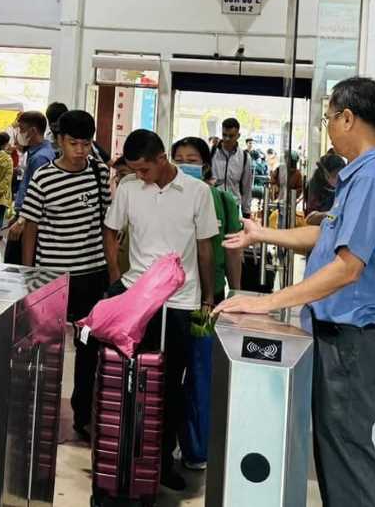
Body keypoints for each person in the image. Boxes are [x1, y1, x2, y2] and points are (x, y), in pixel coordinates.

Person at [216, 77, 375, 507]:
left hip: (350, 345)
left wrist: (267, 302)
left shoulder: (372, 180)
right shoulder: (358, 177)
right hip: (336, 338)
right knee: (335, 455)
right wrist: (263, 234)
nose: (329, 126)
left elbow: (346, 268)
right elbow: (325, 238)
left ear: (348, 118)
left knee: (347, 461)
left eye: (330, 117)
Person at [103, 129, 218, 492]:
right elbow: (111, 230)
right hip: (136, 299)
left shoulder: (198, 193)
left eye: (144, 170)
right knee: (128, 380)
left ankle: (162, 461)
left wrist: (207, 300)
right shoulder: (128, 190)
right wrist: (116, 278)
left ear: (161, 160)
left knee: (169, 384)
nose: (140, 176)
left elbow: (205, 250)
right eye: (134, 170)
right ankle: (125, 459)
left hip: (181, 304)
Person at [20, 110, 110, 443]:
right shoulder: (44, 177)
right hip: (52, 277)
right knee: (46, 348)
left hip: (92, 275)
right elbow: (31, 227)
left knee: (90, 349)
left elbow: (106, 225)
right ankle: (39, 412)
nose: (81, 151)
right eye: (74, 143)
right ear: (60, 141)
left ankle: (83, 415)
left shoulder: (98, 174)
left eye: (86, 144)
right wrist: (30, 275)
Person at [171, 136, 241, 471]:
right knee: (169, 370)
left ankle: (196, 448)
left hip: (207, 301)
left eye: (192, 158)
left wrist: (237, 293)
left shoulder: (223, 201)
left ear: (204, 164)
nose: (185, 163)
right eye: (179, 157)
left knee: (200, 372)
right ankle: (167, 439)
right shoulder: (166, 196)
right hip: (170, 299)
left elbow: (233, 249)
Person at [5, 111, 56, 263]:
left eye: (21, 129)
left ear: (32, 131)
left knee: (17, 267)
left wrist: (22, 220)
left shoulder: (40, 158)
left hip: (29, 222)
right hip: (25, 217)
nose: (18, 133)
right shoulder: (41, 152)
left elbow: (37, 195)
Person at [211, 117, 251, 215]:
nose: (227, 139)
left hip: (233, 205)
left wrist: (246, 211)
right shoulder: (211, 153)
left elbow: (246, 186)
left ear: (238, 136)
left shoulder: (245, 157)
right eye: (224, 135)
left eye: (231, 136)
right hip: (213, 204)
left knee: (233, 231)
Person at [303, 153, 349, 224]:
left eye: (342, 174)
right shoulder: (315, 185)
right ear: (325, 174)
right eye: (335, 175)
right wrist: (331, 216)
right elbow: (310, 218)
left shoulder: (345, 184)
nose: (340, 179)